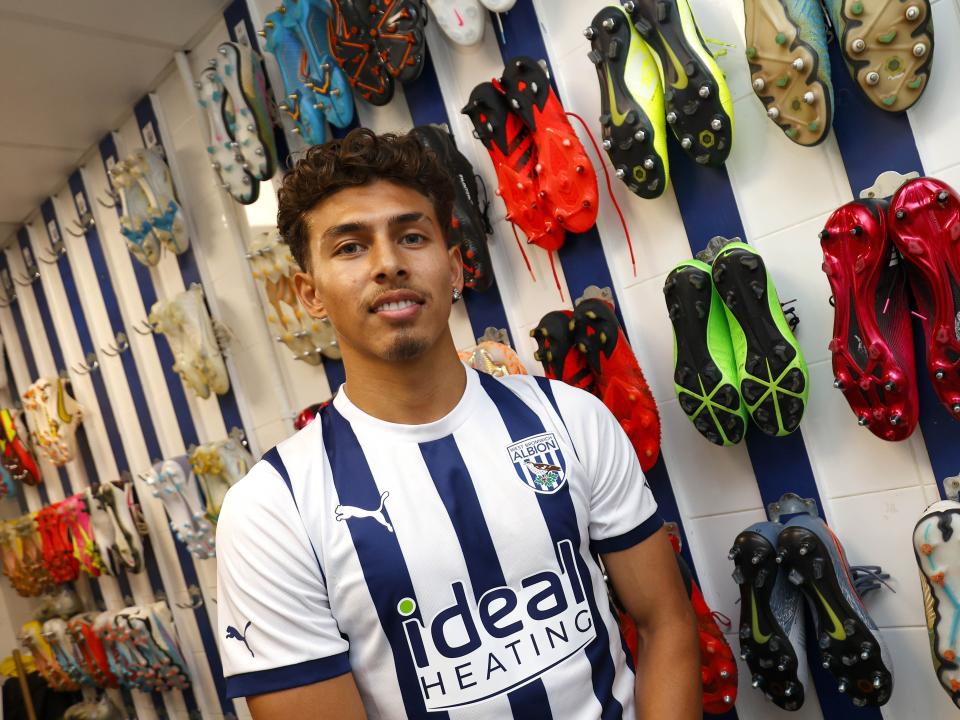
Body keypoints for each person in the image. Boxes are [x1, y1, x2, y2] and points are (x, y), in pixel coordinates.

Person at [215, 128, 700, 719]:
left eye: (411, 237)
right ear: (309, 294)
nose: (389, 264)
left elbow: (665, 623)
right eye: (350, 247)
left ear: (453, 267)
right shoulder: (270, 511)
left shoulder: (572, 418)